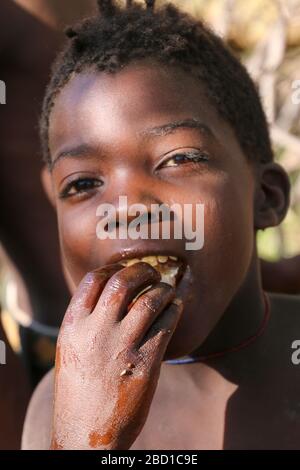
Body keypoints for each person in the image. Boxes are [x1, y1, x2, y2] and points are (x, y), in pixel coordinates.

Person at [22, 0, 300, 450]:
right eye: (83, 183)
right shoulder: (55, 403)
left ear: (265, 197)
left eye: (179, 159)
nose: (127, 207)